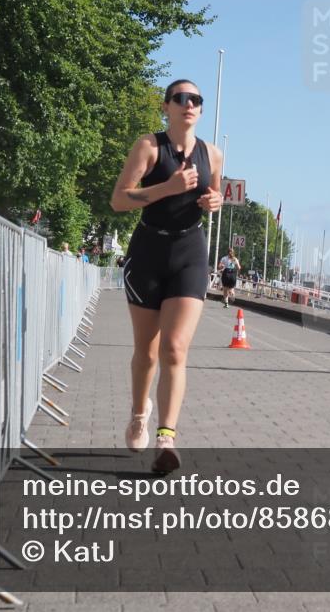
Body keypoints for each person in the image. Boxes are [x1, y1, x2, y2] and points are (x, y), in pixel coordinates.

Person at [110, 79, 223, 473]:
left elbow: (216, 196)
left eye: (196, 100)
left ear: (200, 110)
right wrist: (167, 187)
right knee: (146, 351)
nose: (189, 104)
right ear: (167, 106)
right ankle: (140, 413)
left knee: (174, 348)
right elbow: (120, 199)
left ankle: (166, 438)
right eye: (181, 98)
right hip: (148, 252)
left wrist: (214, 201)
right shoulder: (149, 146)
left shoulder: (213, 154)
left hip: (190, 252)